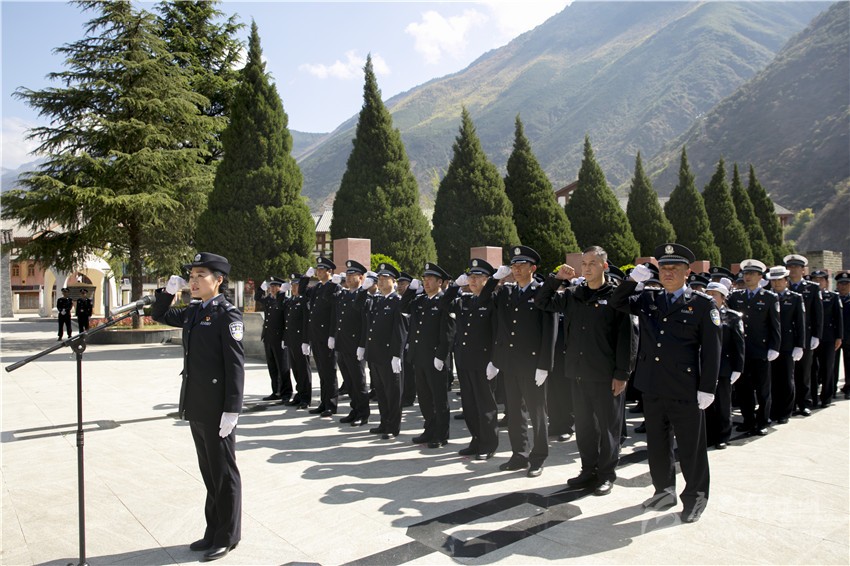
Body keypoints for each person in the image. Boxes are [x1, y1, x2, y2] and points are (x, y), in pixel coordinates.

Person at [611, 243, 721, 523]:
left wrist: (707, 388)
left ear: (687, 272)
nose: (668, 273)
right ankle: (664, 491)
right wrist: (631, 280)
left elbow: (712, 351)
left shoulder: (702, 304)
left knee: (690, 448)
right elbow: (616, 302)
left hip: (685, 388)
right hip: (653, 384)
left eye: (674, 268)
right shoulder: (649, 298)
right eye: (663, 268)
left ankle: (696, 497)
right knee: (658, 444)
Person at [151, 252, 244, 561]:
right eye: (190, 276)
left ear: (218, 280)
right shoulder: (193, 311)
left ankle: (228, 536)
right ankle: (213, 530)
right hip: (197, 404)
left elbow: (235, 366)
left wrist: (232, 409)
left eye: (200, 275)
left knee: (224, 474)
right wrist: (168, 292)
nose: (193, 281)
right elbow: (159, 315)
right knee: (209, 473)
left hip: (218, 408)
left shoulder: (227, 315)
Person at [535, 246, 636, 495]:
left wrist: (622, 374)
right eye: (584, 263)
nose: (587, 268)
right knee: (584, 427)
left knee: (608, 428)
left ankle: (606, 474)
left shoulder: (616, 296)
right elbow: (542, 302)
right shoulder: (573, 294)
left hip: (606, 375)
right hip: (578, 373)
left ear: (604, 266)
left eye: (592, 263)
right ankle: (588, 470)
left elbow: (627, 338)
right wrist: (556, 278)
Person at [488, 246, 557, 478]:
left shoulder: (542, 292)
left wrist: (545, 364)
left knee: (537, 413)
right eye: (514, 266)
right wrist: (494, 279)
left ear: (533, 268)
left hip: (533, 364)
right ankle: (519, 454)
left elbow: (550, 331)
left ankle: (538, 457)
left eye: (521, 265)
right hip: (510, 363)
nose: (516, 269)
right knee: (515, 412)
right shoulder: (506, 292)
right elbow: (484, 301)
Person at [439, 259, 500, 460]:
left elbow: (497, 333)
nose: (472, 281)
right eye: (470, 277)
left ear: (487, 280)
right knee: (470, 405)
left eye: (477, 277)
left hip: (484, 363)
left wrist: (495, 361)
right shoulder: (464, 301)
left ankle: (488, 444)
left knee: (485, 406)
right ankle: (476, 440)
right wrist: (454, 286)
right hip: (464, 361)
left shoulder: (492, 301)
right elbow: (443, 304)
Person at [403, 262, 456, 448]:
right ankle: (429, 428)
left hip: (436, 358)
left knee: (439, 398)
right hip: (419, 357)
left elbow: (448, 332)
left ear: (440, 282)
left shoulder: (444, 301)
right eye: (424, 279)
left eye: (430, 279)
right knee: (424, 398)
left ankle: (441, 434)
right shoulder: (420, 301)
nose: (426, 282)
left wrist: (441, 356)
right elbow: (403, 307)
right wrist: (410, 290)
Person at [726, 259, 781, 436]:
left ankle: (763, 421)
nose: (747, 277)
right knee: (744, 389)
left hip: (761, 350)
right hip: (742, 351)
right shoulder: (736, 297)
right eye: (745, 273)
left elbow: (775, 325)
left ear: (760, 277)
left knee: (763, 389)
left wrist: (774, 347)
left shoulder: (769, 297)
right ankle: (748, 420)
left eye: (751, 274)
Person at [365, 263, 409, 439]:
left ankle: (393, 427)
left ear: (394, 281)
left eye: (385, 278)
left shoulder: (398, 302)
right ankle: (384, 423)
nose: (381, 282)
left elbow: (400, 331)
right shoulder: (378, 300)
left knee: (392, 393)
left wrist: (397, 355)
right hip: (376, 354)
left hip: (390, 356)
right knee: (381, 392)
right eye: (379, 279)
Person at [703, 279, 745, 449]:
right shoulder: (702, 313)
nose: (710, 297)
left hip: (724, 366)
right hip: (706, 366)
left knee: (723, 403)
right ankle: (709, 435)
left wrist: (738, 368)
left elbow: (739, 344)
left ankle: (723, 435)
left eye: (714, 294)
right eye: (708, 294)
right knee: (706, 403)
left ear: (723, 297)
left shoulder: (732, 317)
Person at [301, 257, 342, 417]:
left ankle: (331, 404)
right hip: (316, 335)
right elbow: (303, 291)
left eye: (321, 270)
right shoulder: (317, 287)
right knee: (322, 371)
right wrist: (306, 277)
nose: (318, 272)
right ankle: (324, 403)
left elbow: (335, 314)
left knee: (329, 371)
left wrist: (333, 335)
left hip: (327, 336)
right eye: (317, 270)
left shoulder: (334, 287)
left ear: (329, 271)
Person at [764, 266, 805, 424]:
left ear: (786, 281)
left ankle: (785, 412)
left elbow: (800, 323)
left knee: (787, 379)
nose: (776, 283)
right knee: (772, 379)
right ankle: (773, 410)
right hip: (770, 344)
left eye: (779, 280)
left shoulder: (795, 298)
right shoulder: (767, 297)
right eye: (773, 280)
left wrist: (799, 345)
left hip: (788, 344)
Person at [334, 260, 372, 426]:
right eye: (347, 275)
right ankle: (355, 409)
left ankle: (363, 413)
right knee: (349, 381)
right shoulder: (343, 295)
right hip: (343, 344)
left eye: (352, 275)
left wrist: (362, 345)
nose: (348, 278)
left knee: (358, 381)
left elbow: (365, 324)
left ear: (361, 278)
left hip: (356, 346)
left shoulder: (364, 297)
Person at [784, 254, 823, 415]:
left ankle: (804, 402)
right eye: (790, 267)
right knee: (788, 373)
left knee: (804, 371)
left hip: (805, 335)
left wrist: (816, 335)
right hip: (787, 337)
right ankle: (790, 404)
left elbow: (818, 313)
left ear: (803, 270)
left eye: (796, 267)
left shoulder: (812, 288)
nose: (793, 270)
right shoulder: (782, 286)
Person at [255, 277, 291, 402]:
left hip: (279, 338)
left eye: (275, 286)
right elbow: (257, 298)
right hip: (268, 337)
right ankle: (276, 391)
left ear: (281, 288)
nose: (273, 289)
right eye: (271, 286)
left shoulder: (285, 301)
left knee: (283, 367)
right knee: (272, 367)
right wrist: (261, 289)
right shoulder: (269, 300)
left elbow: (286, 321)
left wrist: (285, 338)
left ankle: (286, 393)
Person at [810, 270, 843, 406]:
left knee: (828, 368)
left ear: (826, 282)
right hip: (812, 337)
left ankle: (826, 397)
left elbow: (838, 318)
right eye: (815, 280)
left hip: (828, 337)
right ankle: (812, 397)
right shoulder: (807, 295)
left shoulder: (833, 297)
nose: (818, 282)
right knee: (812, 369)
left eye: (821, 280)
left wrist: (839, 337)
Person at [283, 274, 311, 409]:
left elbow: (306, 322)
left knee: (303, 369)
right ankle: (299, 394)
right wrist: (285, 338)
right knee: (295, 369)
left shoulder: (304, 300)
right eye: (292, 285)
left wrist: (306, 341)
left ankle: (306, 397)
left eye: (296, 285)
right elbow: (287, 322)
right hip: (292, 340)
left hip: (300, 340)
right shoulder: (291, 301)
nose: (294, 288)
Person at [834, 271, 850, 399]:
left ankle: (849, 388)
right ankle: (831, 388)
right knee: (832, 365)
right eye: (841, 284)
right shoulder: (832, 298)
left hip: (849, 336)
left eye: (846, 283)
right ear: (837, 285)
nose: (843, 286)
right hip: (834, 337)